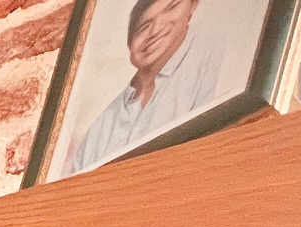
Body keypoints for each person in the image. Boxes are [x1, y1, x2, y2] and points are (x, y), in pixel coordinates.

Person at [66, 0, 226, 176]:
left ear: (193, 5)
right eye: (143, 27)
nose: (155, 31)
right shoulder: (100, 127)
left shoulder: (215, 59)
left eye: (171, 7)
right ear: (129, 46)